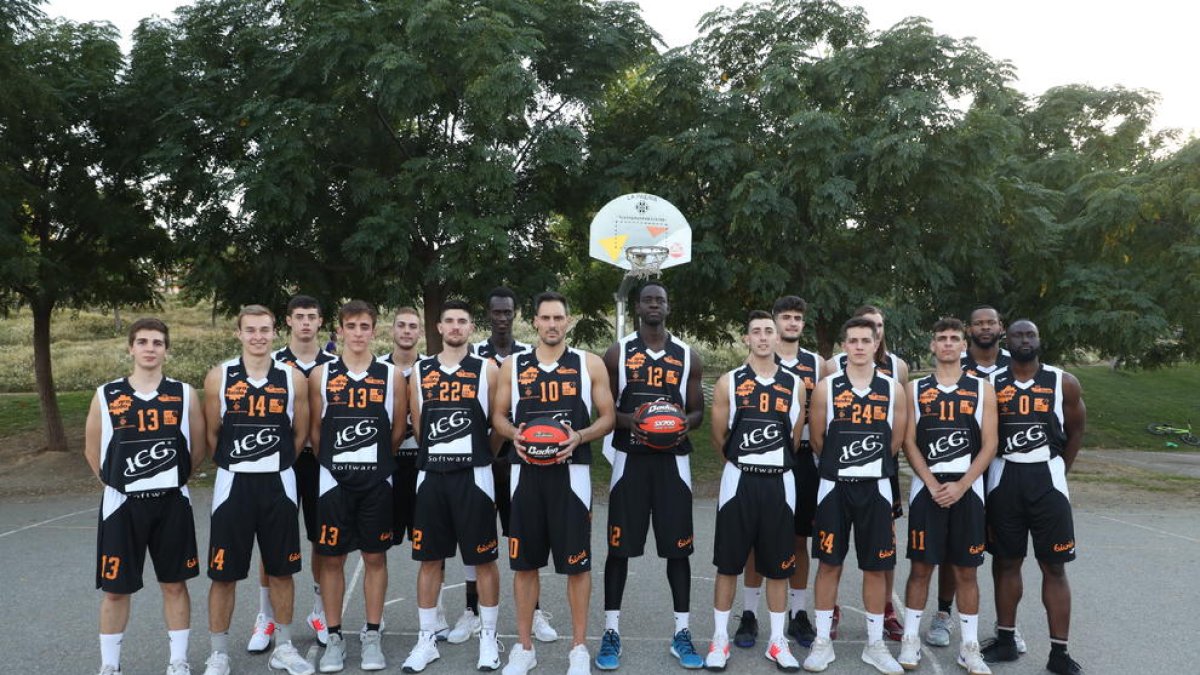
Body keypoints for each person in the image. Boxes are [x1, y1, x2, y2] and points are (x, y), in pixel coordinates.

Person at [491, 291, 615, 675]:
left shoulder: (588, 363)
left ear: (568, 321)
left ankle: (578, 648)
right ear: (534, 321)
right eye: (544, 318)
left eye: (558, 318)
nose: (551, 324)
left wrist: (578, 436)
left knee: (577, 566)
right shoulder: (512, 366)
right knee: (524, 566)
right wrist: (516, 436)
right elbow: (497, 417)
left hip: (572, 475)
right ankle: (524, 648)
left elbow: (608, 417)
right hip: (524, 474)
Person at [84, 318, 205, 675]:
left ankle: (178, 661)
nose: (150, 348)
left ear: (167, 349)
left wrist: (171, 478)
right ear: (130, 348)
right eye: (142, 342)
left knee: (174, 583)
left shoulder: (184, 393)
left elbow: (196, 451)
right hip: (123, 505)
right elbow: (93, 452)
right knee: (115, 590)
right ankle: (110, 665)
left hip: (170, 502)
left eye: (157, 342)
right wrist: (119, 482)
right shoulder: (107, 394)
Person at [595, 281, 706, 670]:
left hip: (673, 462)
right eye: (647, 300)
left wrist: (676, 424)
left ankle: (682, 632)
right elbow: (606, 411)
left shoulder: (688, 356)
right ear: (638, 307)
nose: (654, 304)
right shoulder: (617, 353)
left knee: (678, 550)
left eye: (660, 299)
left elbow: (696, 412)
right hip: (630, 460)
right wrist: (639, 422)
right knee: (619, 549)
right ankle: (611, 632)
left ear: (667, 306)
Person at [200, 305, 314, 675]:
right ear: (239, 334)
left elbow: (299, 435)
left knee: (282, 570)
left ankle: (283, 646)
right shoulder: (220, 376)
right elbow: (212, 432)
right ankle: (218, 653)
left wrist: (274, 460)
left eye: (264, 330)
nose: (258, 337)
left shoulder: (291, 378)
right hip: (234, 482)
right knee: (224, 573)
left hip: (278, 481)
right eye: (250, 330)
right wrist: (240, 460)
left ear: (274, 332)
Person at [400, 300, 504, 672]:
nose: (456, 327)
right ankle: (426, 638)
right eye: (450, 321)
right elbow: (416, 427)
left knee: (484, 559)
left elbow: (497, 426)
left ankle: (489, 637)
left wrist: (477, 456)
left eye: (463, 321)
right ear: (439, 328)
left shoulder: (487, 369)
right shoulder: (420, 370)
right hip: (431, 477)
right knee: (430, 560)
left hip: (474, 476)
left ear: (471, 328)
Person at [805, 316, 909, 675]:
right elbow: (817, 440)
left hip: (876, 487)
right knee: (829, 563)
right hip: (834, 486)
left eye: (867, 340)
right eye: (854, 340)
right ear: (844, 346)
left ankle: (875, 644)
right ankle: (821, 641)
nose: (861, 346)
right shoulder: (826, 388)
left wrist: (869, 464)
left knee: (877, 567)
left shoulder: (894, 389)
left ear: (876, 344)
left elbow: (895, 441)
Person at [981, 320, 1085, 675]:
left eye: (1031, 334)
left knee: (1053, 566)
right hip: (1004, 476)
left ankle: (1059, 652)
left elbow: (1076, 430)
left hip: (1047, 479)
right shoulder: (990, 384)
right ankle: (1006, 639)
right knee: (1006, 561)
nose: (1025, 340)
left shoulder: (1063, 381)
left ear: (1040, 339)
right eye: (1017, 335)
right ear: (1005, 341)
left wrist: (1058, 471)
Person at [309, 300, 408, 673]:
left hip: (377, 479)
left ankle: (371, 635)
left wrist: (376, 461)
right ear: (339, 331)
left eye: (365, 326)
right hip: (334, 480)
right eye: (351, 326)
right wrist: (336, 463)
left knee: (374, 557)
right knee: (332, 559)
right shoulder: (320, 375)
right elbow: (316, 433)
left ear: (374, 330)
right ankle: (334, 636)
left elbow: (397, 430)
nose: (358, 333)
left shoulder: (390, 376)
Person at [704, 310, 805, 672]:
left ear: (778, 338)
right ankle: (719, 639)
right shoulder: (729, 382)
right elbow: (718, 436)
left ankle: (777, 641)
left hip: (779, 482)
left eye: (769, 331)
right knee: (728, 564)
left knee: (778, 567)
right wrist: (741, 459)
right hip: (739, 480)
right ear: (746, 338)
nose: (763, 337)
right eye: (756, 332)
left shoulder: (794, 383)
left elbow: (793, 436)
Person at [895, 318, 996, 675]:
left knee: (966, 571)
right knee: (921, 567)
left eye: (955, 338)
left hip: (967, 491)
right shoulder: (914, 388)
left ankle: (969, 647)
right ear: (933, 346)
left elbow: (990, 444)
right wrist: (932, 482)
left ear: (964, 346)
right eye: (942, 339)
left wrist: (962, 484)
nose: (949, 344)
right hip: (929, 490)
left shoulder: (982, 388)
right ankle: (910, 638)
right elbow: (907, 441)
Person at [927, 305, 1018, 651]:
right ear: (969, 331)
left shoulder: (1017, 363)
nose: (984, 327)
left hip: (1005, 469)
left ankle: (1006, 625)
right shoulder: (955, 365)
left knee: (1005, 552)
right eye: (978, 323)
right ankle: (944, 613)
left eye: (990, 322)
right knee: (956, 547)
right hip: (967, 469)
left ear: (1000, 327)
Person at [471, 287, 558, 644]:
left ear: (517, 314)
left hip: (521, 461)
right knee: (476, 537)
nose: (502, 318)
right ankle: (471, 612)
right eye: (496, 312)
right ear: (487, 314)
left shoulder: (527, 355)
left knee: (526, 540)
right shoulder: (475, 355)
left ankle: (535, 614)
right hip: (480, 459)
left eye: (508, 312)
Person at [377, 308, 450, 640]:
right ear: (391, 329)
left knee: (432, 543)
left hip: (423, 463)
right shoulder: (377, 369)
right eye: (401, 325)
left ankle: (437, 610)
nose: (406, 331)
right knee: (377, 546)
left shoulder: (431, 369)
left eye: (413, 326)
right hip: (387, 466)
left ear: (421, 332)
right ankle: (376, 613)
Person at [272, 295, 338, 647]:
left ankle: (318, 610)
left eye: (312, 317)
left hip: (318, 461)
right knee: (273, 539)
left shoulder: (334, 364)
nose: (306, 323)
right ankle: (265, 616)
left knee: (320, 539)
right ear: (289, 321)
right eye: (299, 317)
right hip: (280, 461)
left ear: (320, 321)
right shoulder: (272, 363)